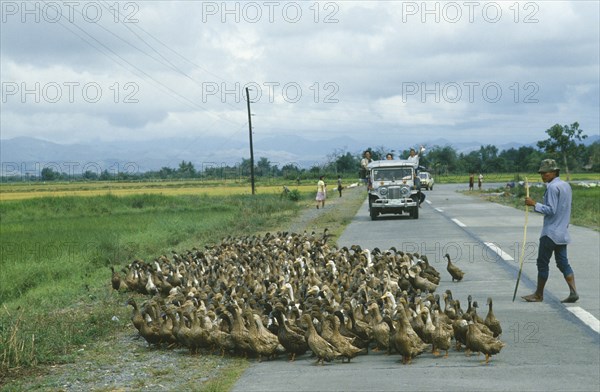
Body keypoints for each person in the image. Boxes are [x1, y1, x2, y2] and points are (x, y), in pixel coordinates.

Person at [522, 159, 578, 303]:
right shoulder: (565, 185)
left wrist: (534, 203)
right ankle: (573, 291)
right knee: (563, 263)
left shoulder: (552, 188)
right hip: (562, 233)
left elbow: (551, 210)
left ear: (554, 172)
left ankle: (538, 294)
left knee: (542, 263)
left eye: (545, 173)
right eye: (541, 173)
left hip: (550, 233)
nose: (543, 175)